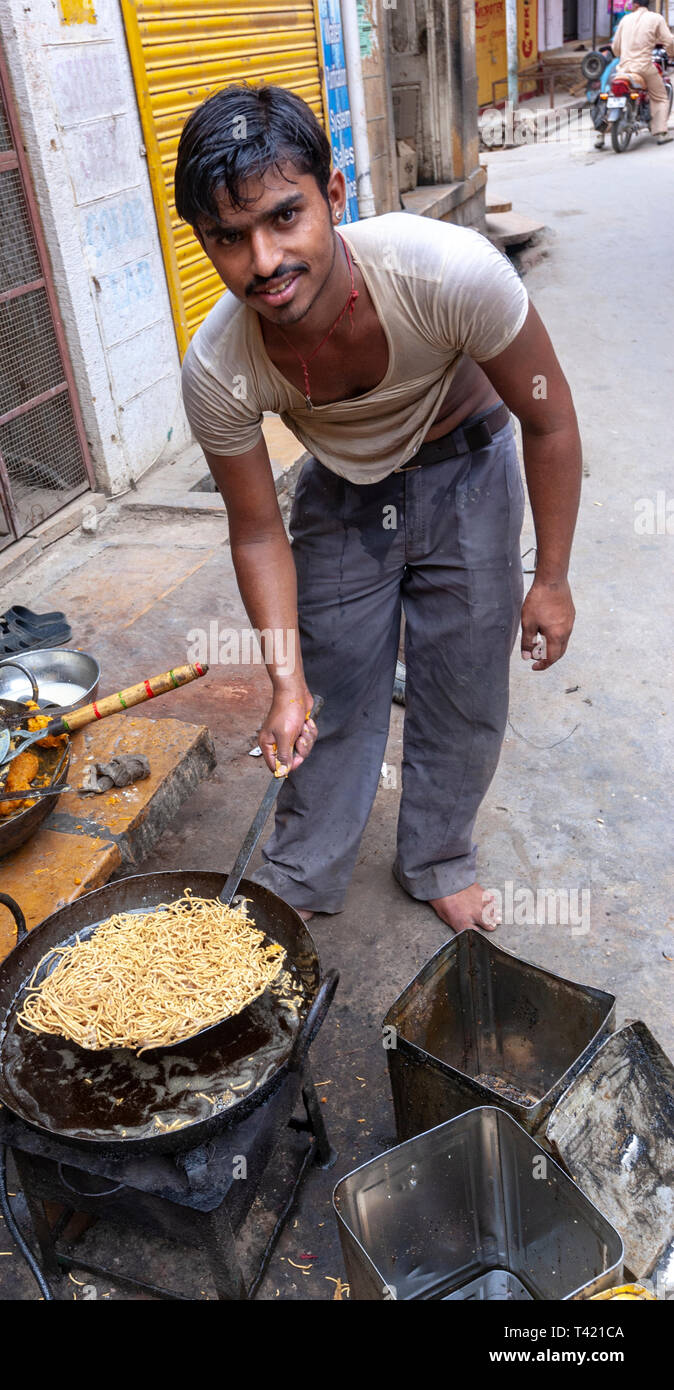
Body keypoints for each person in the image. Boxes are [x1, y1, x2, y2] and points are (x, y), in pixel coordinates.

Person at [175, 85, 581, 933]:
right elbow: (255, 530)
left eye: (286, 217)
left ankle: (438, 856)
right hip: (344, 490)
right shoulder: (218, 365)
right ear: (206, 244)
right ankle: (303, 869)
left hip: (470, 468)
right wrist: (284, 684)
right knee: (331, 685)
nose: (263, 261)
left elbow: (548, 418)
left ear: (334, 196)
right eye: (229, 237)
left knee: (466, 681)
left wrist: (551, 578)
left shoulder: (449, 271)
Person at [612, 0, 674, 144]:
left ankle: (602, 130)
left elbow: (615, 47)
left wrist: (621, 55)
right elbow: (669, 41)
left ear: (635, 5)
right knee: (659, 96)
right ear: (648, 5)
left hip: (624, 67)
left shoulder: (625, 19)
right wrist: (671, 53)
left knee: (611, 91)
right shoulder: (656, 18)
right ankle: (661, 132)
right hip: (644, 67)